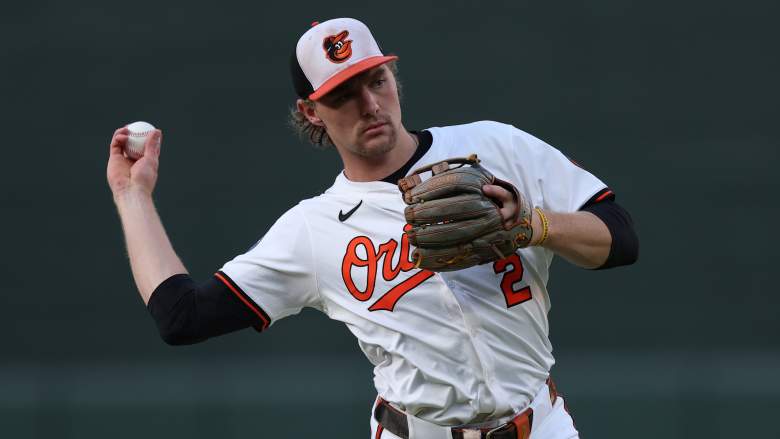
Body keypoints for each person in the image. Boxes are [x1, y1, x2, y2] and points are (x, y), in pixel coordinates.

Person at [107, 17, 638, 439]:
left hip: (539, 426)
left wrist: (536, 226)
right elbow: (182, 317)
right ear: (311, 111)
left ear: (392, 77)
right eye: (343, 95)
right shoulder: (313, 229)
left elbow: (619, 238)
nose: (370, 104)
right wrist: (133, 196)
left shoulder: (496, 147)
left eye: (375, 80)